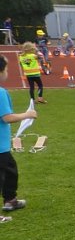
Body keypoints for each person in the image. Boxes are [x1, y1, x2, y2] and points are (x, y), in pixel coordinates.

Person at [0, 55, 36, 220]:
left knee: (10, 171)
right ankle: (10, 200)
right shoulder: (1, 93)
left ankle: (10, 200)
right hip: (0, 147)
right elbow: (7, 117)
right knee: (7, 172)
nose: (7, 73)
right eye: (6, 69)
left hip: (3, 147)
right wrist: (27, 114)